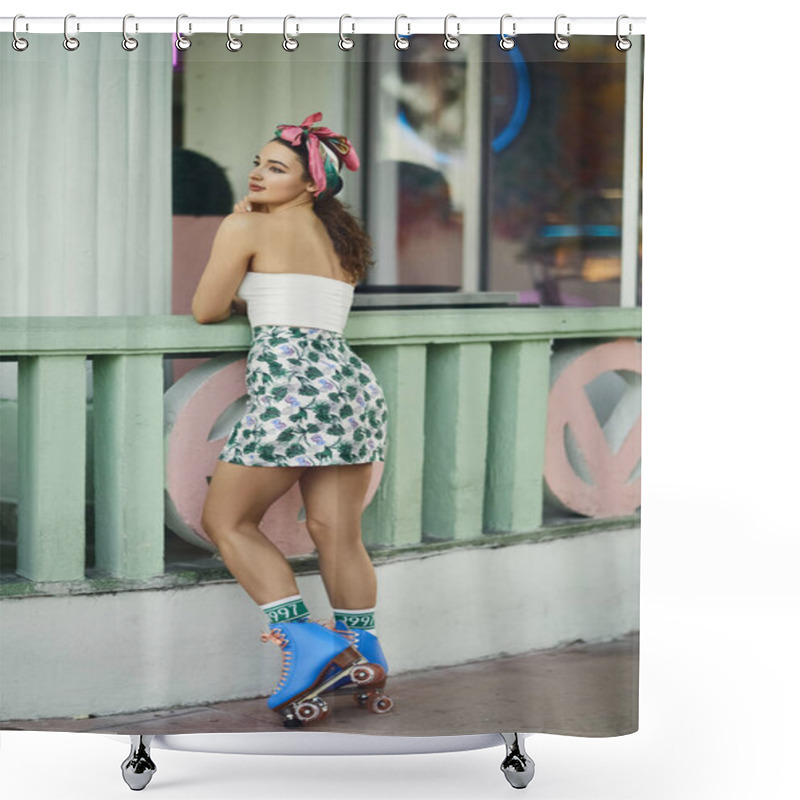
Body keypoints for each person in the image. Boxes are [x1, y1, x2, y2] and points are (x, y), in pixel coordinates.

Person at [191, 111, 393, 727]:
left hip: (291, 390)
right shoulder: (341, 240)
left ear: (310, 184)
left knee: (227, 520)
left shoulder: (244, 227)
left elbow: (205, 310)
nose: (257, 174)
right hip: (350, 386)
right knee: (338, 530)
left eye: (275, 168)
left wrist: (241, 230)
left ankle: (306, 642)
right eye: (257, 163)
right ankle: (363, 649)